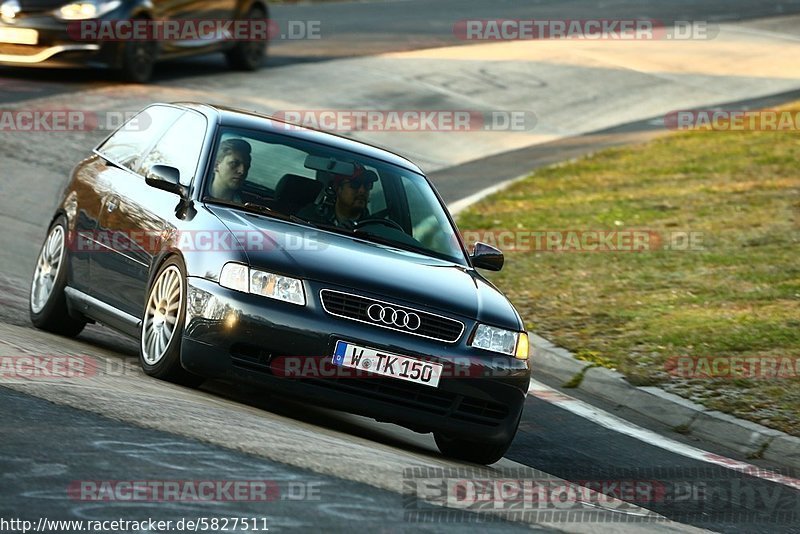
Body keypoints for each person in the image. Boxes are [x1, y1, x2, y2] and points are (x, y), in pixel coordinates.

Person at [299, 163, 378, 227]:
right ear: (337, 188)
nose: (362, 190)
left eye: (367, 185)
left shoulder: (374, 228)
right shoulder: (310, 217)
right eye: (355, 184)